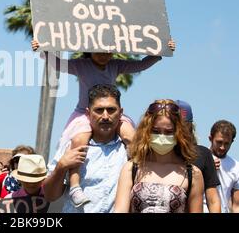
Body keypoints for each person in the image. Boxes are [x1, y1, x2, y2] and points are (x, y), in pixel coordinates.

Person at [32, 39, 176, 207]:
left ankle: (138, 178)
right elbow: (59, 65)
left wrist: (159, 53)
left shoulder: (115, 65)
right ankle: (75, 186)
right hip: (82, 115)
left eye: (108, 51)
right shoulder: (81, 65)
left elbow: (140, 65)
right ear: (89, 49)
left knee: (131, 136)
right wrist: (43, 50)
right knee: (78, 140)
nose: (104, 55)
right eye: (99, 50)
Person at [43, 84, 127, 213]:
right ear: (88, 113)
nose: (105, 116)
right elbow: (50, 196)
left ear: (120, 112)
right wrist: (61, 167)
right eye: (99, 110)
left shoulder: (129, 149)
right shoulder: (71, 146)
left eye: (111, 110)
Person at [114, 99, 204, 213]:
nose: (162, 136)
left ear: (178, 133)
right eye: (156, 131)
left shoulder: (193, 174)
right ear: (146, 131)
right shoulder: (131, 168)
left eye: (168, 132)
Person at [176, 100, 221, 213]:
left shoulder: (203, 154)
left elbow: (213, 199)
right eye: (176, 124)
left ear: (190, 125)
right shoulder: (158, 154)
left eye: (184, 125)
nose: (179, 129)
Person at [208, 120, 239, 213]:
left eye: (226, 143)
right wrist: (206, 166)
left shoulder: (236, 167)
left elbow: (236, 206)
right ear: (210, 138)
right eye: (219, 142)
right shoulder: (197, 157)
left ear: (232, 142)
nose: (222, 147)